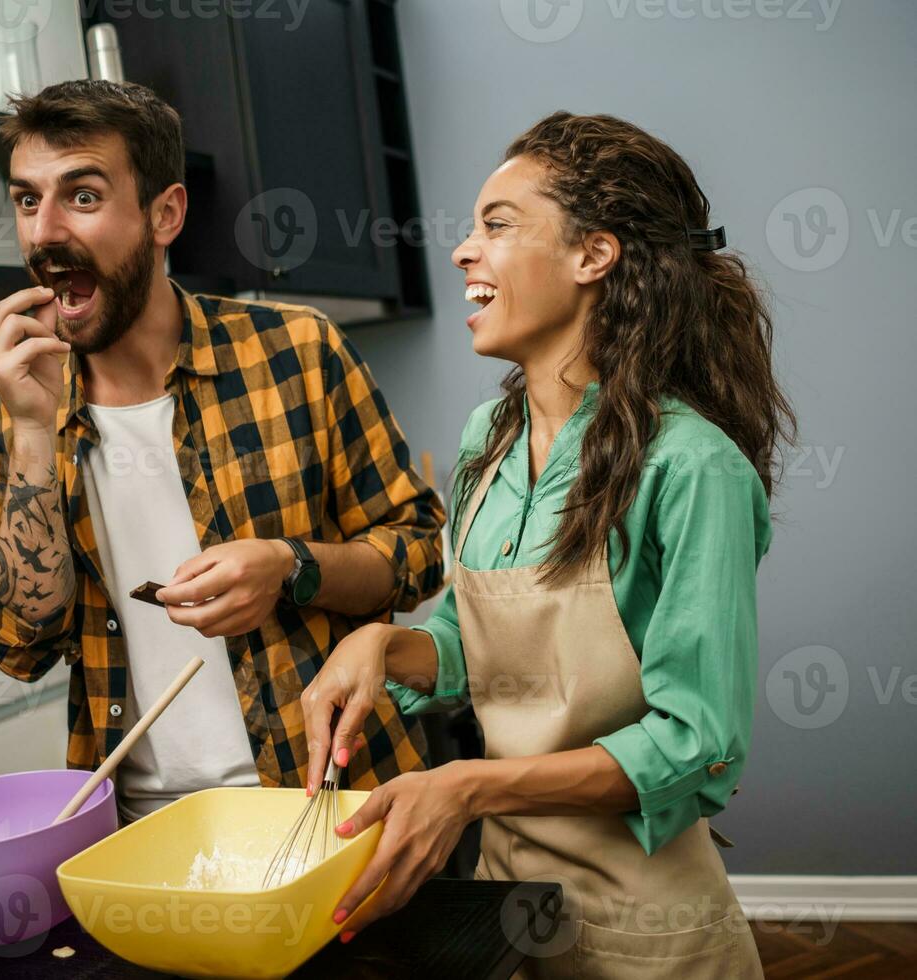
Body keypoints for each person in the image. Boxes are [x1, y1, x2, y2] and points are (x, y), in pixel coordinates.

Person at [300, 111, 795, 977]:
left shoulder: (691, 467)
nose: (463, 252)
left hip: (643, 925)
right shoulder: (487, 437)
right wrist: (380, 643)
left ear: (592, 256)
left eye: (496, 226)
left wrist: (465, 788)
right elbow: (472, 639)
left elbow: (697, 743)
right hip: (507, 901)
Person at [0, 80, 446, 824]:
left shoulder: (296, 353)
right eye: (28, 201)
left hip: (332, 802)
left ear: (165, 214)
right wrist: (32, 432)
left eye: (81, 197)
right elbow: (18, 647)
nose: (45, 233)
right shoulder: (12, 415)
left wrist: (291, 567)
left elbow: (417, 554)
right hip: (141, 827)